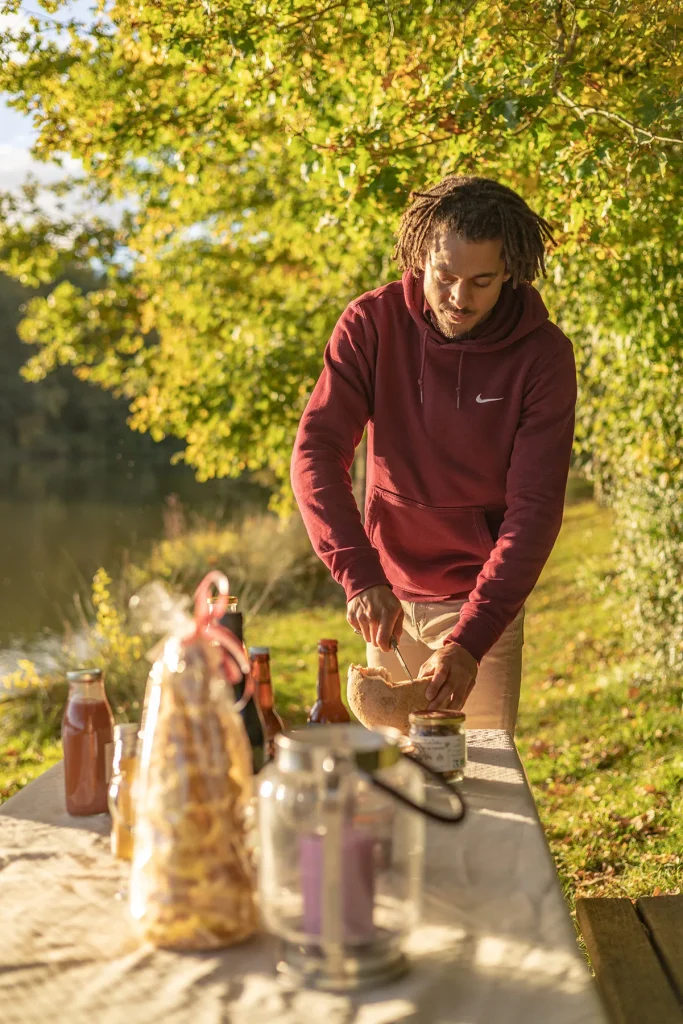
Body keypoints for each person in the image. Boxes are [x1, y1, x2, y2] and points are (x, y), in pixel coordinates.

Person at [291, 175, 576, 732]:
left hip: (480, 601)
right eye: (444, 276)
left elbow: (534, 512)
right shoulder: (370, 326)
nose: (459, 298)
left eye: (482, 281)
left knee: (479, 782)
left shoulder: (543, 358)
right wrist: (360, 575)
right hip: (387, 595)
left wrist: (471, 638)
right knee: (398, 778)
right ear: (420, 257)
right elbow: (317, 453)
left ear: (509, 274)